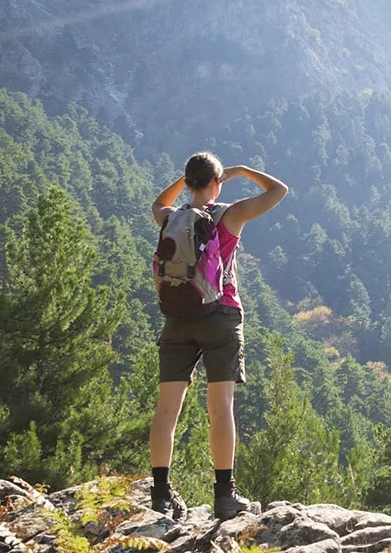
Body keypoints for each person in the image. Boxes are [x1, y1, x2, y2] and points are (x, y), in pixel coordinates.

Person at [149, 151, 287, 520]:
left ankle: (160, 494)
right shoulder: (229, 215)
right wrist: (240, 171)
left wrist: (185, 181)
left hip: (177, 317)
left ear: (189, 180)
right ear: (218, 181)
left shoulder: (170, 217)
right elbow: (278, 190)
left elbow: (158, 202)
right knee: (220, 407)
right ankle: (224, 497)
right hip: (221, 317)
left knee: (166, 409)